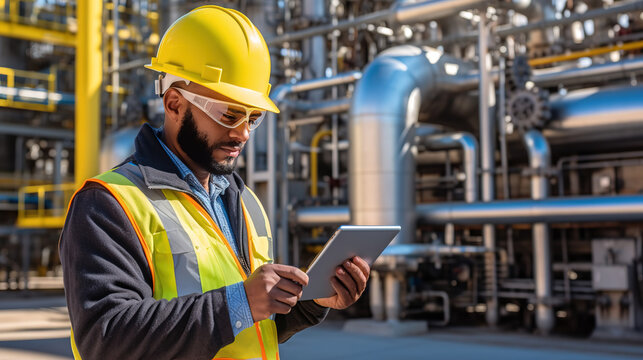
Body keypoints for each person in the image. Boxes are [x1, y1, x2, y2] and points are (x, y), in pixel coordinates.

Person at [59, 5, 370, 360]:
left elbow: (250, 328)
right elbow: (106, 337)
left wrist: (314, 301)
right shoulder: (108, 204)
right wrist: (238, 302)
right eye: (230, 114)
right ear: (174, 103)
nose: (242, 133)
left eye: (254, 118)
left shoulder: (243, 201)